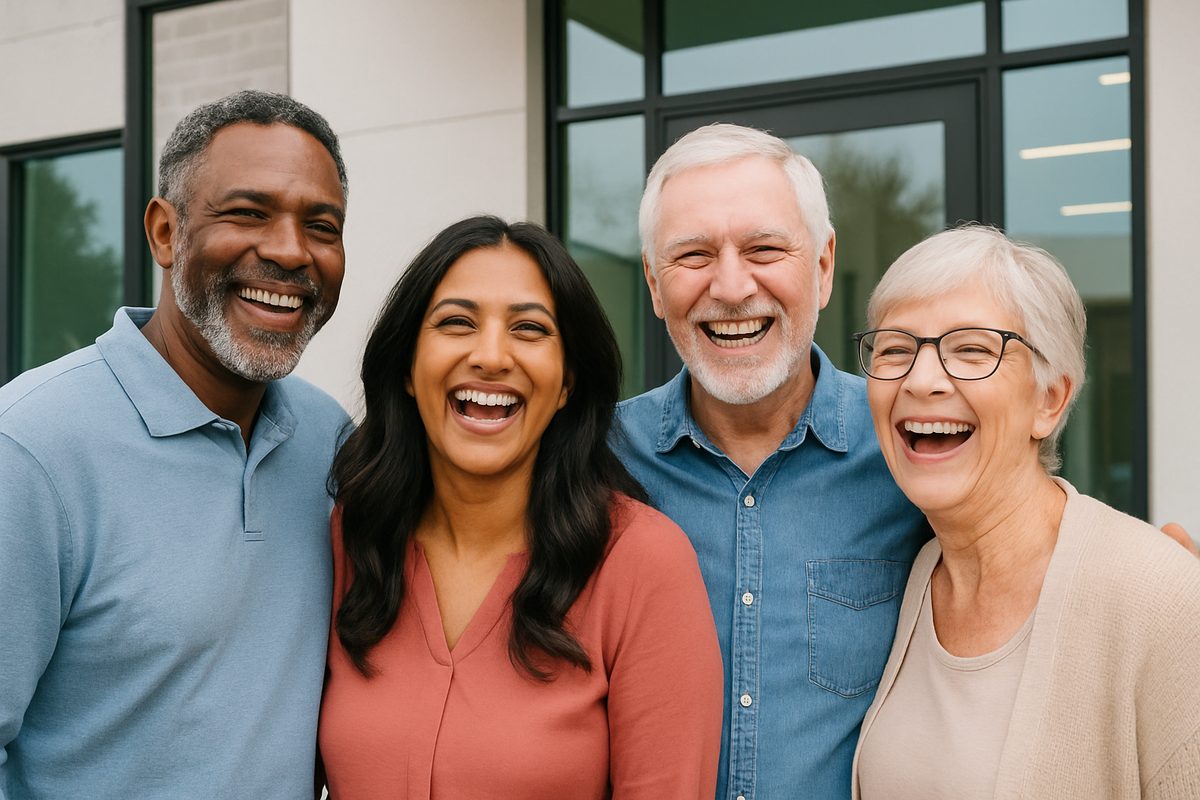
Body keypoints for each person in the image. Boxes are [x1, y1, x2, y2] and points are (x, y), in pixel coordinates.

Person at [0, 90, 349, 799]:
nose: (289, 251)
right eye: (248, 213)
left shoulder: (330, 442)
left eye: (322, 225)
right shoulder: (29, 449)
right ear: (165, 232)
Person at [318, 215, 723, 799]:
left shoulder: (643, 564)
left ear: (565, 385)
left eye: (529, 330)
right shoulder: (352, 537)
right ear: (407, 368)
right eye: (456, 322)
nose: (490, 356)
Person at [612, 123, 930, 799]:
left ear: (821, 265)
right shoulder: (592, 462)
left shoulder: (911, 451)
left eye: (763, 249)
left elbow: (1032, 551)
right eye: (693, 255)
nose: (730, 287)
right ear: (653, 281)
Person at [851, 226, 1200, 799]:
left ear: (1050, 399)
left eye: (972, 350)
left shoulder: (1159, 597)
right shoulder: (914, 576)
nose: (922, 380)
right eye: (895, 349)